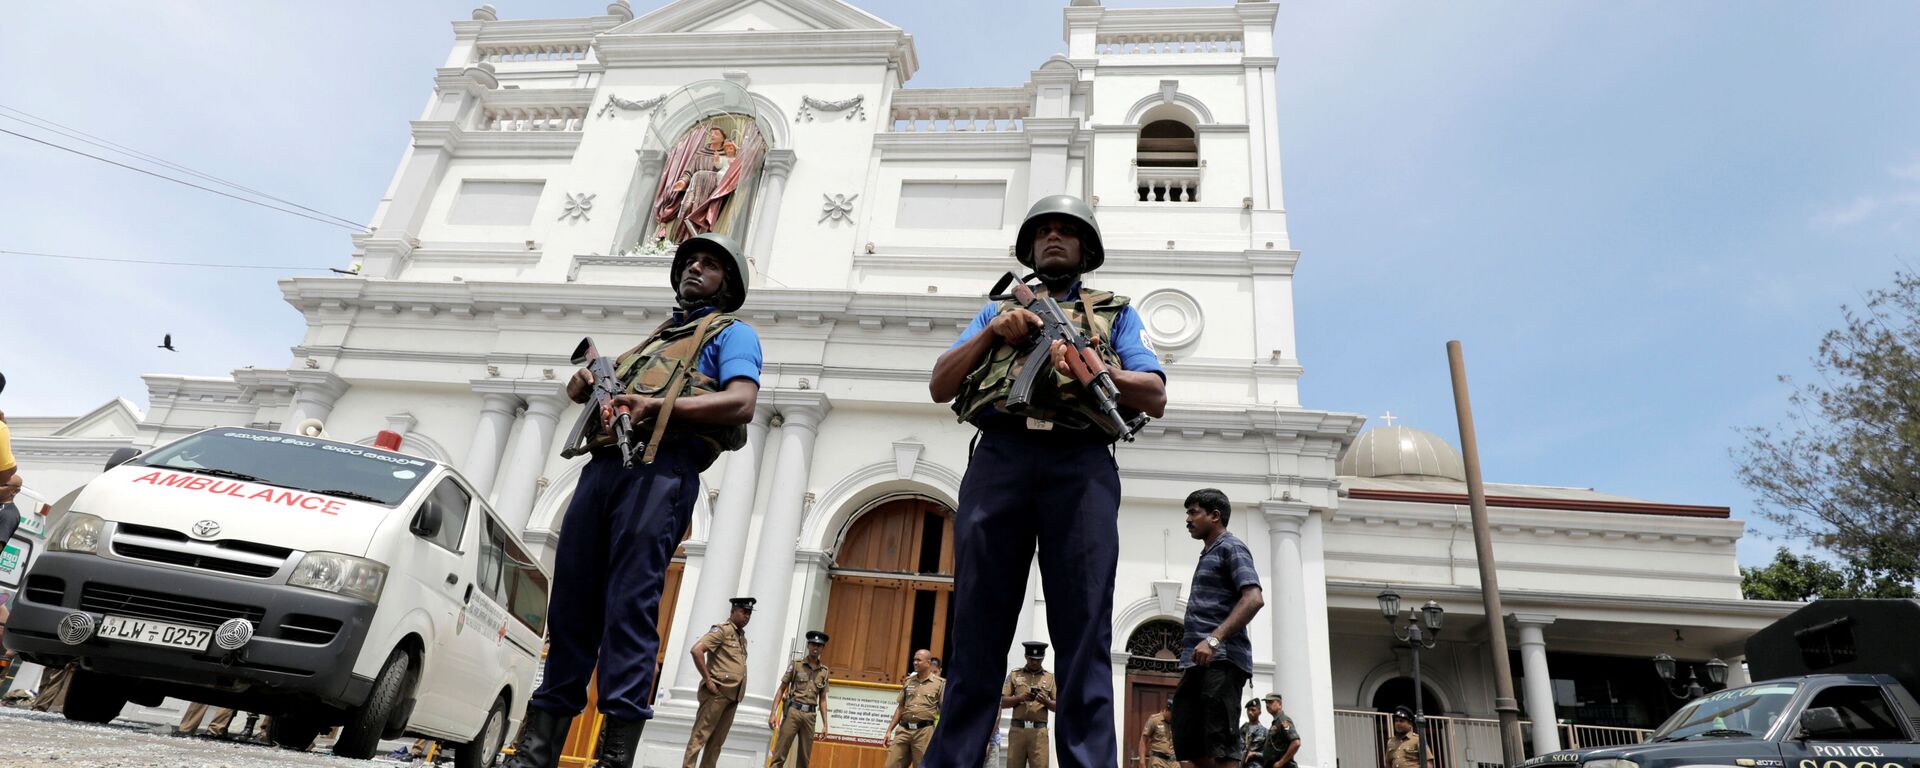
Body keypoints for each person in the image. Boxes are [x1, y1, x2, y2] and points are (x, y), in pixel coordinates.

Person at [502, 233, 762, 768]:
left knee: (630, 609)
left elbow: (741, 401)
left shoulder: (732, 334)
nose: (694, 269)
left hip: (660, 472)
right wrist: (586, 386)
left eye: (709, 265)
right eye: (689, 261)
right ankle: (535, 754)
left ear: (727, 283)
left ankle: (613, 758)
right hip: (602, 474)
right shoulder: (649, 344)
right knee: (571, 609)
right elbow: (603, 391)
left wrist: (650, 404)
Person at [925, 194, 1167, 768]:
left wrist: (1094, 369)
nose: (1054, 239)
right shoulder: (995, 310)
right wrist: (995, 332)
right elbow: (940, 383)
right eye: (1044, 232)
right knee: (977, 626)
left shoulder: (1117, 314)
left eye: (1067, 232)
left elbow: (1154, 393)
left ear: (1087, 249)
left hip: (1080, 466)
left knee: (1083, 630)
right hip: (1000, 459)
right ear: (1030, 248)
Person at [1172, 489, 1265, 768]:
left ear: (1215, 516)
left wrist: (1214, 640)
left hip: (1222, 660)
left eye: (1193, 512)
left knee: (1221, 744)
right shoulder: (1208, 553)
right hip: (1196, 661)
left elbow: (1253, 598)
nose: (1188, 519)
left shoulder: (1231, 547)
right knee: (1190, 740)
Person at [685, 597, 755, 768]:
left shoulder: (741, 637)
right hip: (716, 694)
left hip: (733, 697)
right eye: (743, 612)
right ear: (732, 612)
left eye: (749, 613)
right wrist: (708, 680)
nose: (747, 616)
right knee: (699, 738)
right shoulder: (721, 631)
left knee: (716, 743)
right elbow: (697, 650)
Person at [769, 630, 832, 768]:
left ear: (822, 648)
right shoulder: (797, 664)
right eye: (813, 644)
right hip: (793, 712)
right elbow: (782, 689)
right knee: (780, 753)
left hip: (810, 716)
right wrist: (773, 713)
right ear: (808, 645)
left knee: (804, 757)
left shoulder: (824, 672)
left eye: (819, 645)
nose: (816, 647)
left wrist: (826, 724)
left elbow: (822, 699)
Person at [884, 650, 944, 768]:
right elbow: (901, 707)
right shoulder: (908, 681)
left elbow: (944, 711)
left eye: (919, 660)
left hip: (924, 732)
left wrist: (940, 735)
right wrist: (889, 730)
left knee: (922, 765)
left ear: (928, 662)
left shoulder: (939, 684)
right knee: (891, 765)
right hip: (904, 730)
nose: (915, 663)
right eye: (914, 660)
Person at [1001, 641, 1057, 768]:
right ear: (1026, 657)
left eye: (1038, 660)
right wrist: (1020, 698)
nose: (1035, 662)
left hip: (1039, 733)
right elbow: (1002, 702)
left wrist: (1046, 702)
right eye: (1031, 659)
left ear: (1043, 658)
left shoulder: (1050, 678)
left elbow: (1059, 706)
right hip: (1017, 731)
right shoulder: (1015, 675)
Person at [1259, 694, 1301, 768]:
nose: (1267, 705)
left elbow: (1296, 743)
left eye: (1270, 702)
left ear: (1280, 704)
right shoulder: (1276, 722)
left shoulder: (1283, 720)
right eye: (1266, 703)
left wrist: (1280, 763)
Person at [1139, 699, 1177, 768]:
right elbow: (1143, 740)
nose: (1174, 717)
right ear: (1166, 710)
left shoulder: (1177, 722)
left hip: (1174, 762)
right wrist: (1142, 761)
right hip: (1158, 762)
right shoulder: (1154, 720)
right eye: (1172, 714)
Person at [1239, 699, 1268, 766]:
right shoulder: (1243, 728)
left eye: (1253, 710)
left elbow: (1269, 754)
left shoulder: (1265, 732)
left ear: (1259, 712)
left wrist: (1254, 754)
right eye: (1248, 710)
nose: (1250, 712)